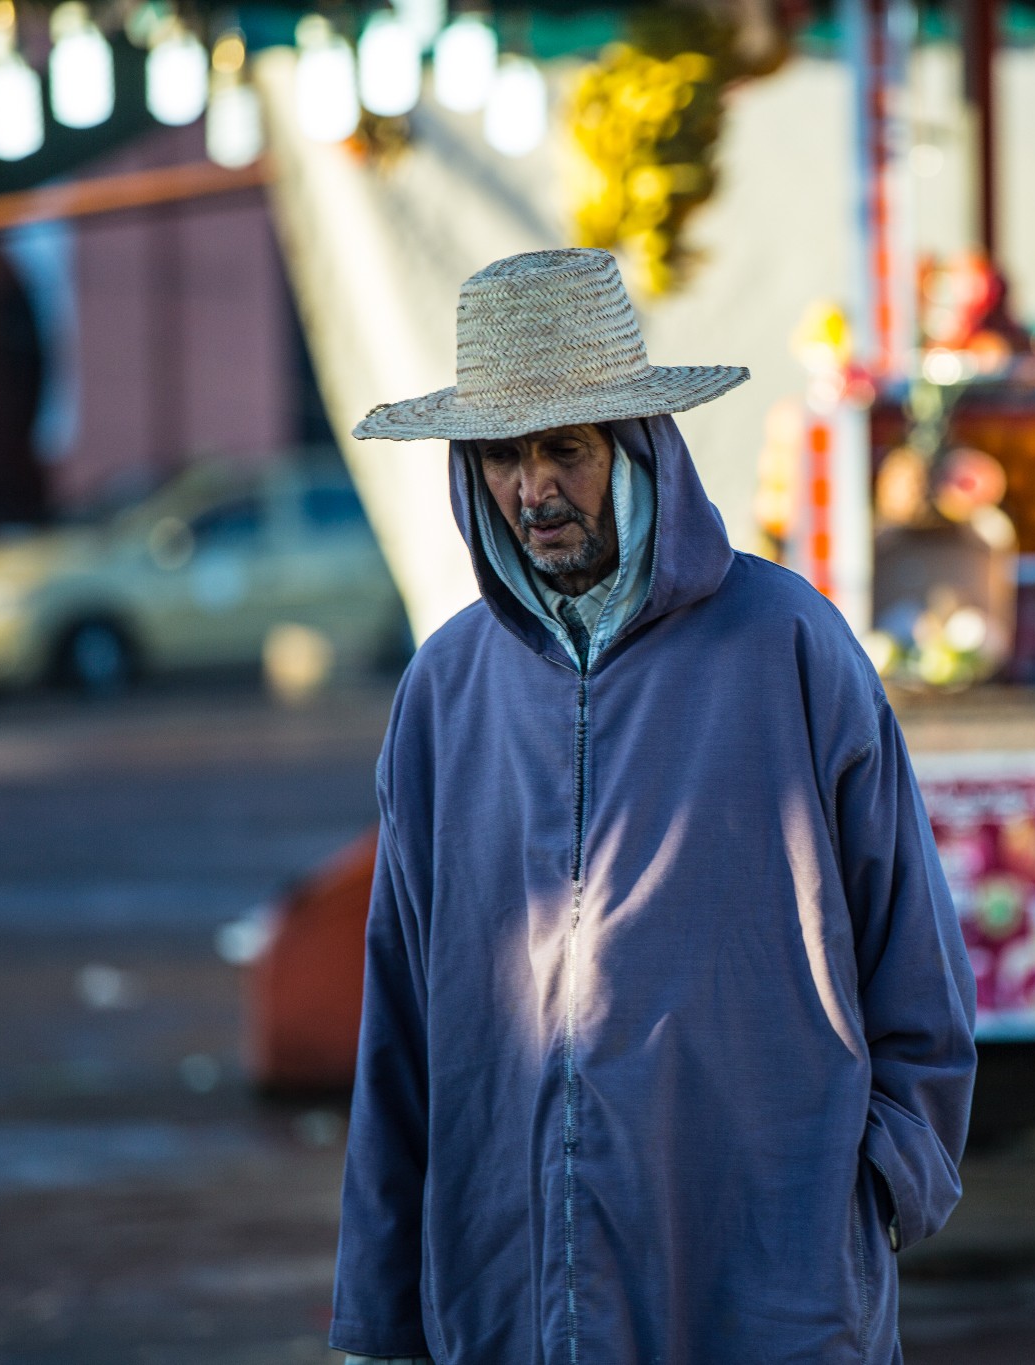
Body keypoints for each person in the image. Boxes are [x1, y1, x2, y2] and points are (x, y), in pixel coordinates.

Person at [331, 248, 978, 1365]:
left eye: (563, 450)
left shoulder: (787, 646)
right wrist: (379, 1313)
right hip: (505, 1296)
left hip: (770, 1288)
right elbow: (396, 1028)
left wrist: (871, 1192)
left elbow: (914, 962)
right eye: (500, 455)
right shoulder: (444, 692)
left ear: (637, 448)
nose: (532, 491)